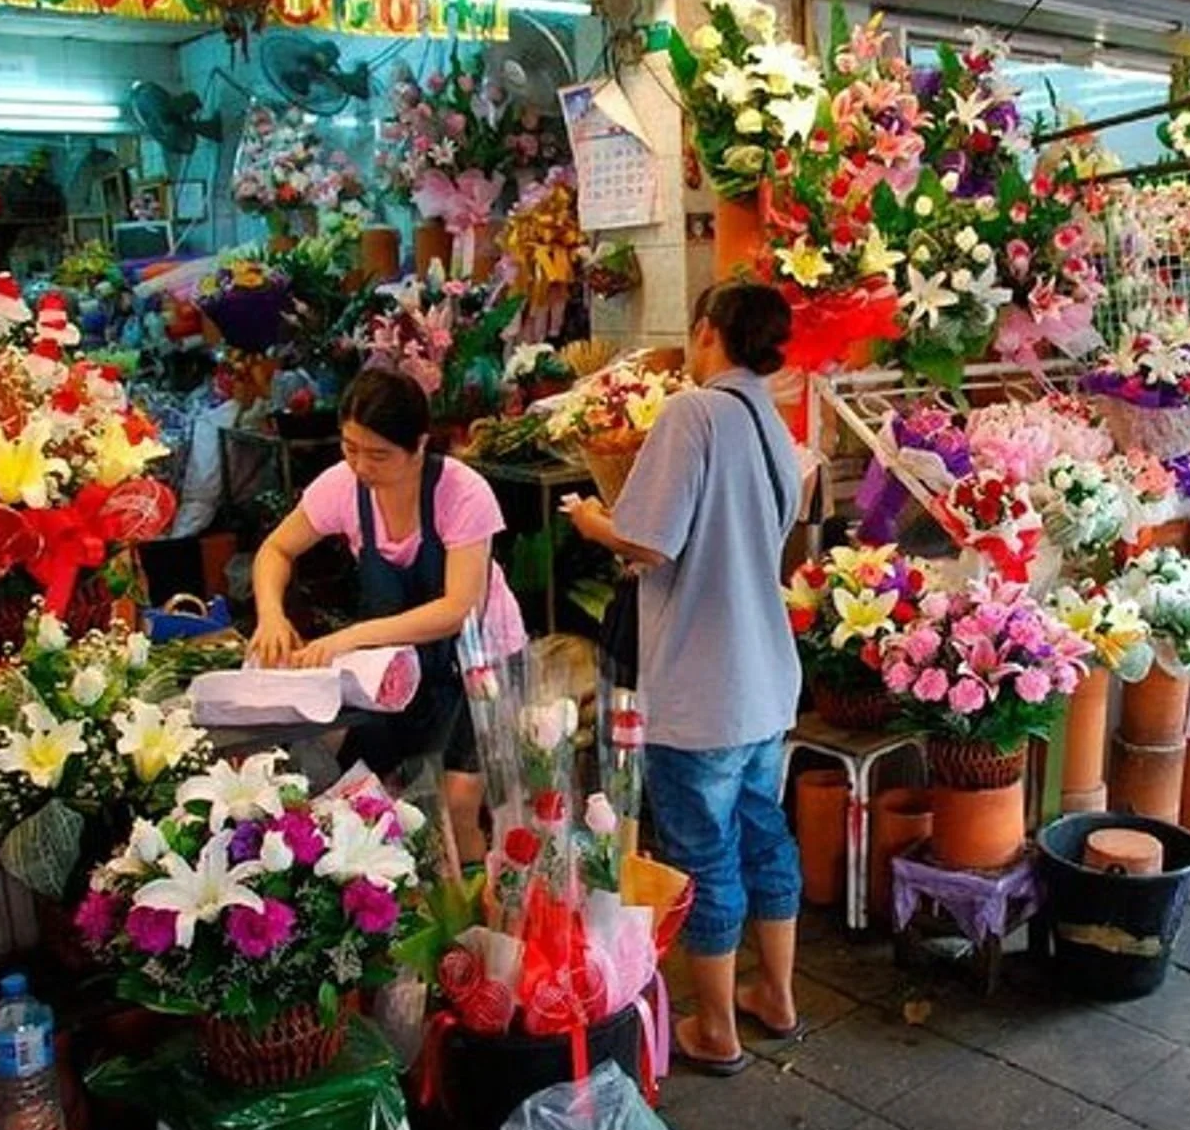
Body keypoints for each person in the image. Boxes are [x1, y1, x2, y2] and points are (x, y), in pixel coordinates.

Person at [566, 282, 803, 1077]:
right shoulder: (772, 420)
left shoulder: (692, 413)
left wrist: (593, 521)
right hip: (766, 681)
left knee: (705, 853)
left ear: (707, 331)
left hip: (701, 689)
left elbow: (650, 543)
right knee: (764, 835)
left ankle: (715, 1029)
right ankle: (776, 995)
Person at [249, 367, 526, 858]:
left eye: (378, 454)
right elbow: (276, 550)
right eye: (350, 447)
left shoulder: (462, 492)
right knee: (372, 787)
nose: (360, 466)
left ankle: (477, 922)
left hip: (481, 659)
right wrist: (271, 615)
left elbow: (457, 609)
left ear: (419, 445)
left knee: (458, 800)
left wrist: (352, 636)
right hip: (398, 661)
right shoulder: (342, 486)